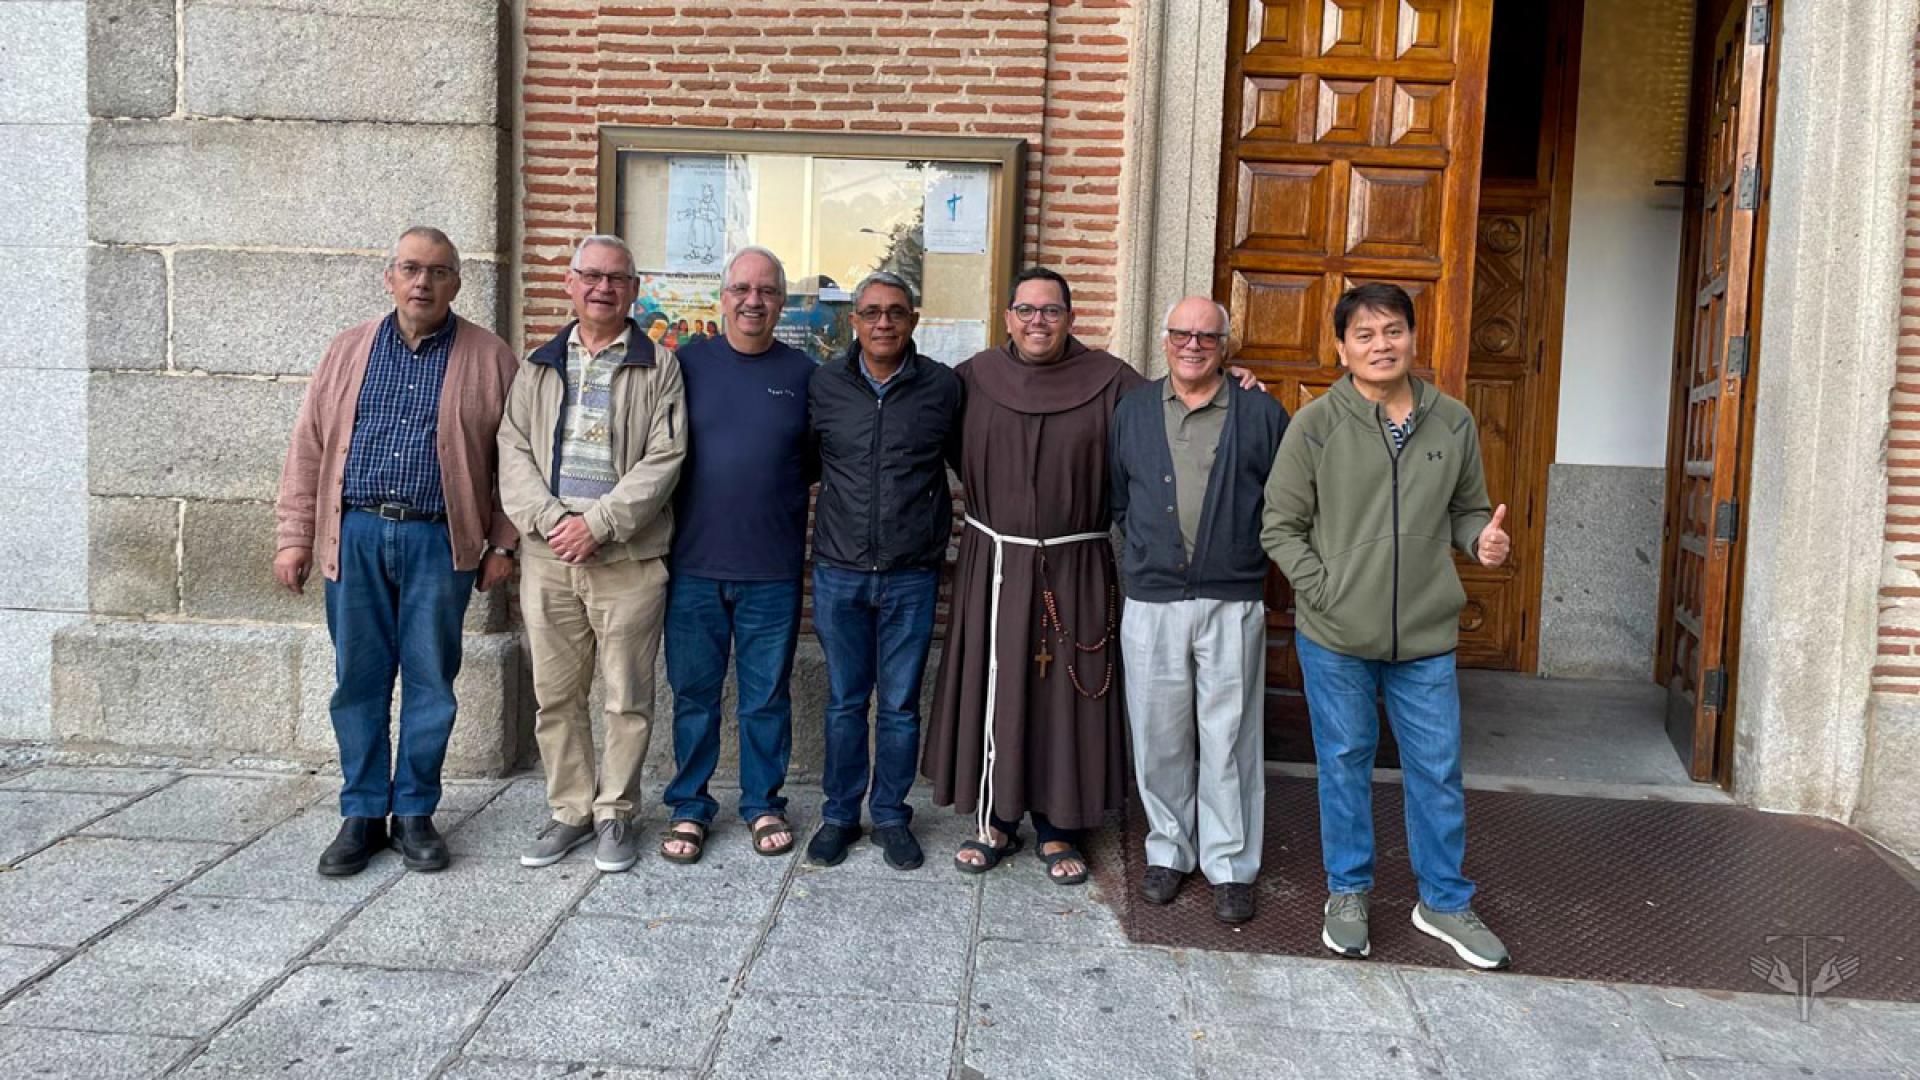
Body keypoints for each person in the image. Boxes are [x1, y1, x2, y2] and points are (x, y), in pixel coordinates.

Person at [1262, 282, 1513, 969]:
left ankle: (1444, 901)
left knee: (1437, 769)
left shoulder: (1452, 420)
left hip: (1425, 635)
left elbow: (1468, 510)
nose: (1381, 345)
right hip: (1336, 635)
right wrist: (1326, 591)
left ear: (1413, 337)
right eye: (1365, 335)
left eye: (1393, 330)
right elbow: (1279, 525)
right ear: (1341, 348)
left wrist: (1481, 541)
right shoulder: (1315, 425)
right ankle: (1348, 892)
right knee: (1345, 763)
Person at [273, 226, 518, 877]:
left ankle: (413, 811)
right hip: (354, 534)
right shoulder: (348, 350)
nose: (422, 283)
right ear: (390, 278)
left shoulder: (490, 357)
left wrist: (502, 541)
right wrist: (294, 537)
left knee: (431, 680)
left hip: (439, 539)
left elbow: (515, 460)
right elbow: (308, 447)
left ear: (457, 283)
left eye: (438, 271)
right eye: (411, 268)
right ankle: (361, 813)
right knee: (358, 679)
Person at [923, 267, 1144, 885]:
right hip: (994, 563)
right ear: (1008, 318)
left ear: (1071, 318)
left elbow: (1171, 419)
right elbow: (933, 437)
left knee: (1064, 694)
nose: (1037, 321)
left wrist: (1233, 384)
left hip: (1076, 566)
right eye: (1026, 310)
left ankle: (1059, 825)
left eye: (1050, 311)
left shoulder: (1113, 381)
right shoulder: (973, 379)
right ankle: (995, 817)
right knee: (995, 685)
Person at [498, 234, 687, 873]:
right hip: (549, 556)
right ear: (570, 283)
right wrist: (555, 523)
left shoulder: (660, 367)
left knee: (627, 696)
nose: (604, 288)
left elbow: (665, 458)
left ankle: (616, 813)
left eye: (617, 278)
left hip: (628, 558)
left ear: (634, 290)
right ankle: (571, 810)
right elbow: (512, 449)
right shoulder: (538, 365)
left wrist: (599, 524)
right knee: (555, 695)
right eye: (592, 276)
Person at [1112, 296, 1288, 924]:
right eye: (1182, 333)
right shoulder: (1132, 410)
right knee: (1157, 734)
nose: (1193, 345)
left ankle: (1231, 864)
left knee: (1230, 738)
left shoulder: (1261, 412)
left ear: (1225, 346)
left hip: (1231, 597)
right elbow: (1119, 497)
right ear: (1164, 339)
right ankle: (1167, 850)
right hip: (1152, 599)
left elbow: (1285, 501)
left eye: (1207, 336)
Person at [659, 245, 816, 863]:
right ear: (722, 297)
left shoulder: (805, 375)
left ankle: (762, 803)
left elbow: (813, 463)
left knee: (766, 698)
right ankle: (689, 805)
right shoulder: (685, 365)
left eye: (767, 290)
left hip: (772, 568)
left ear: (782, 302)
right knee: (693, 695)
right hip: (692, 565)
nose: (754, 301)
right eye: (742, 289)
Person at [804, 271, 962, 871]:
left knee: (899, 706)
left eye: (895, 312)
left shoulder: (942, 387)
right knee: (845, 702)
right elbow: (805, 463)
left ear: (913, 320)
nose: (883, 323)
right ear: (854, 321)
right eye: (871, 312)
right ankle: (840, 814)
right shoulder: (825, 384)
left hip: (910, 573)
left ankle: (892, 815)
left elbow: (968, 460)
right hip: (839, 569)